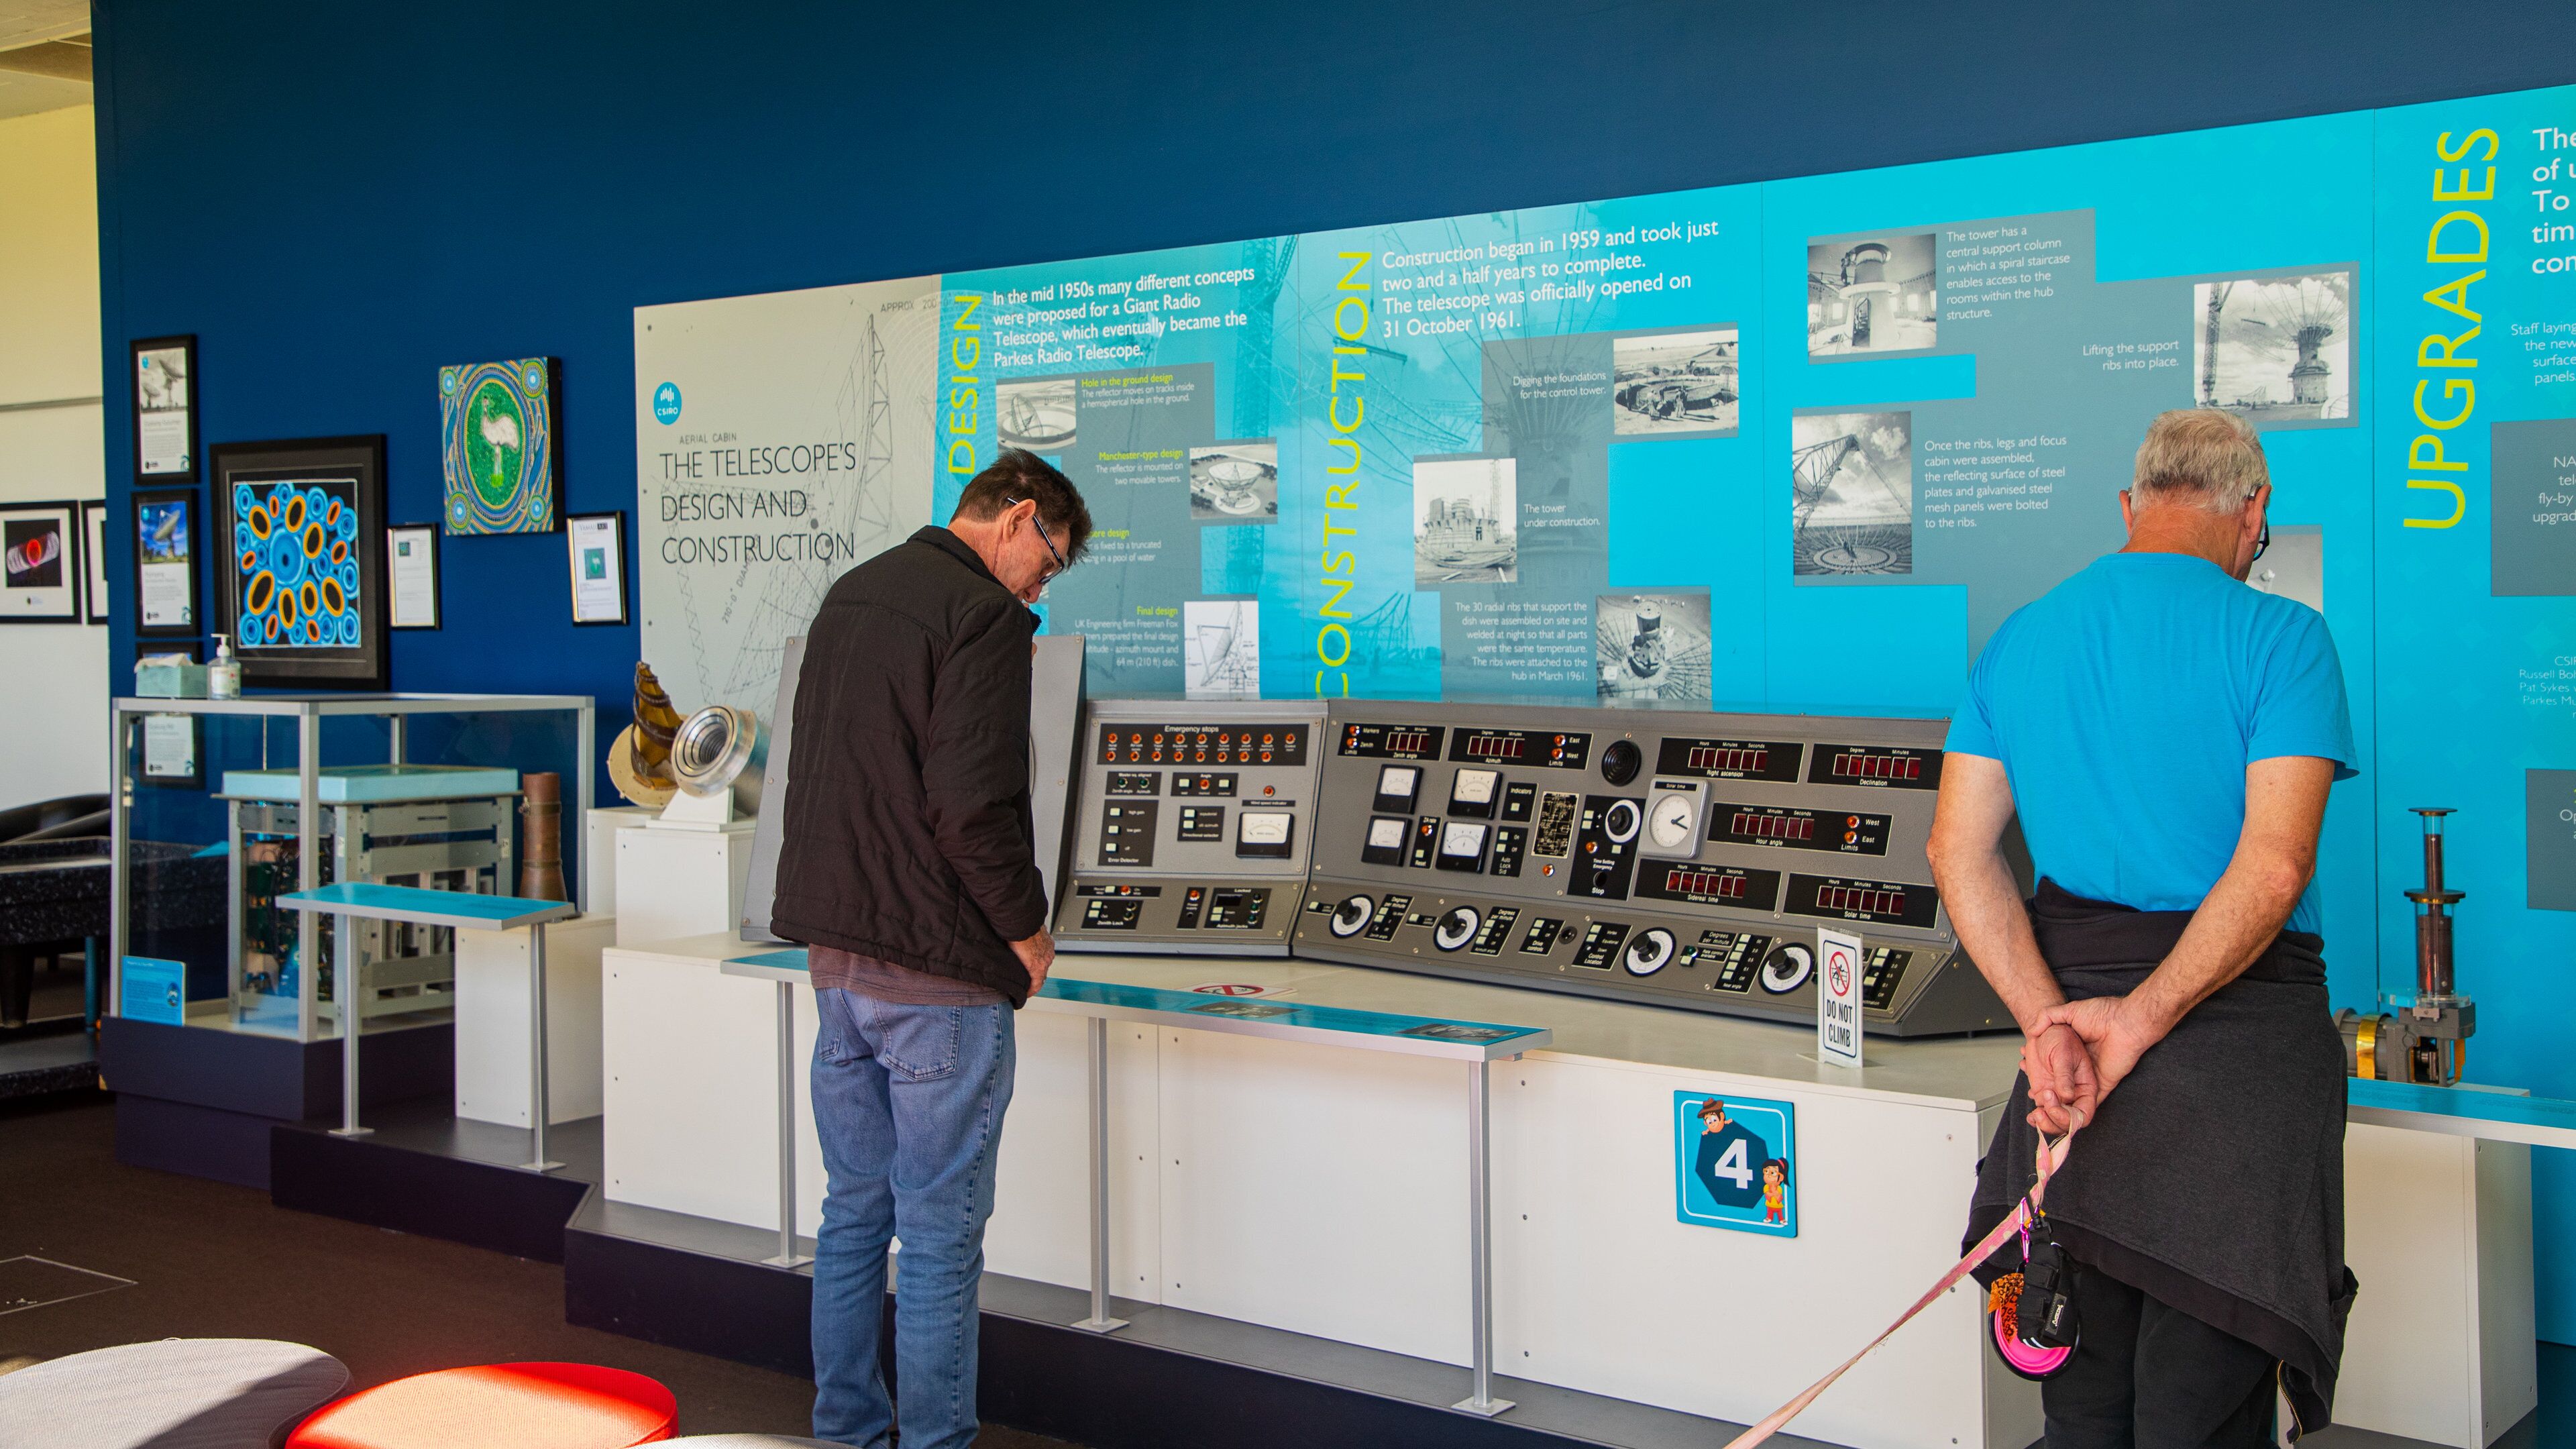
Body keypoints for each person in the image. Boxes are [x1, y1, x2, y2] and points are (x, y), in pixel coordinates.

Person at [1927, 408, 2357, 1447]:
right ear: (2253, 511)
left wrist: (2050, 1026)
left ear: (2130, 507)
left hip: (2068, 1069)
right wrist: (2146, 1014)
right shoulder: (2283, 637)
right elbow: (2276, 863)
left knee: (2081, 1399)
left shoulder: (2025, 636)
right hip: (2236, 1060)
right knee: (2199, 1409)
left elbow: (1957, 853)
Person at [771, 448, 1091, 1449]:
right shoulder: (986, 619)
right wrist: (1029, 936)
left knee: (854, 1217)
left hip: (840, 965)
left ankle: (849, 1436)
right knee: (943, 1242)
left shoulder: (853, 596)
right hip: (942, 980)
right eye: (1050, 561)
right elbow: (974, 812)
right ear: (1018, 516)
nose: (1045, 584)